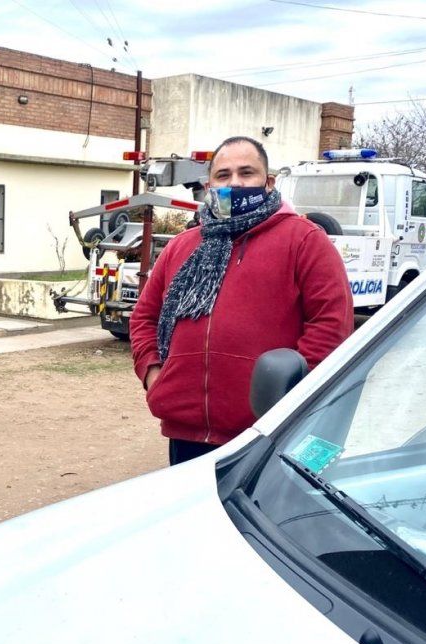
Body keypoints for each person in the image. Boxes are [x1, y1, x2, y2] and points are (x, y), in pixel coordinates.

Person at [130, 136, 353, 466]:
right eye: (224, 175)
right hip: (186, 434)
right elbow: (144, 317)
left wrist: (290, 397)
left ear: (269, 182)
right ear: (209, 186)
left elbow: (331, 326)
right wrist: (153, 374)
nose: (234, 183)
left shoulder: (304, 240)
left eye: (247, 173)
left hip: (267, 434)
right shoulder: (182, 246)